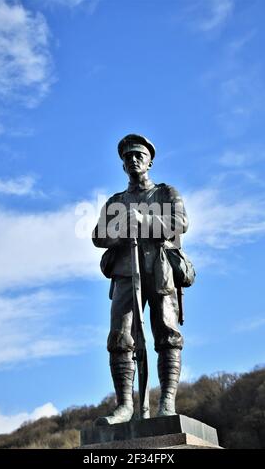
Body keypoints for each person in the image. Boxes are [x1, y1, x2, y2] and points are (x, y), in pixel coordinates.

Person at [92, 134, 189, 425]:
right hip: (125, 274)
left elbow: (180, 222)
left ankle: (167, 404)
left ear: (150, 162)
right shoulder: (116, 201)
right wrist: (122, 229)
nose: (133, 159)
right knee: (120, 338)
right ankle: (125, 406)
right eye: (127, 157)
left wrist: (144, 222)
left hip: (160, 271)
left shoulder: (166, 192)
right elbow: (98, 235)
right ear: (122, 166)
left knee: (167, 334)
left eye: (139, 155)